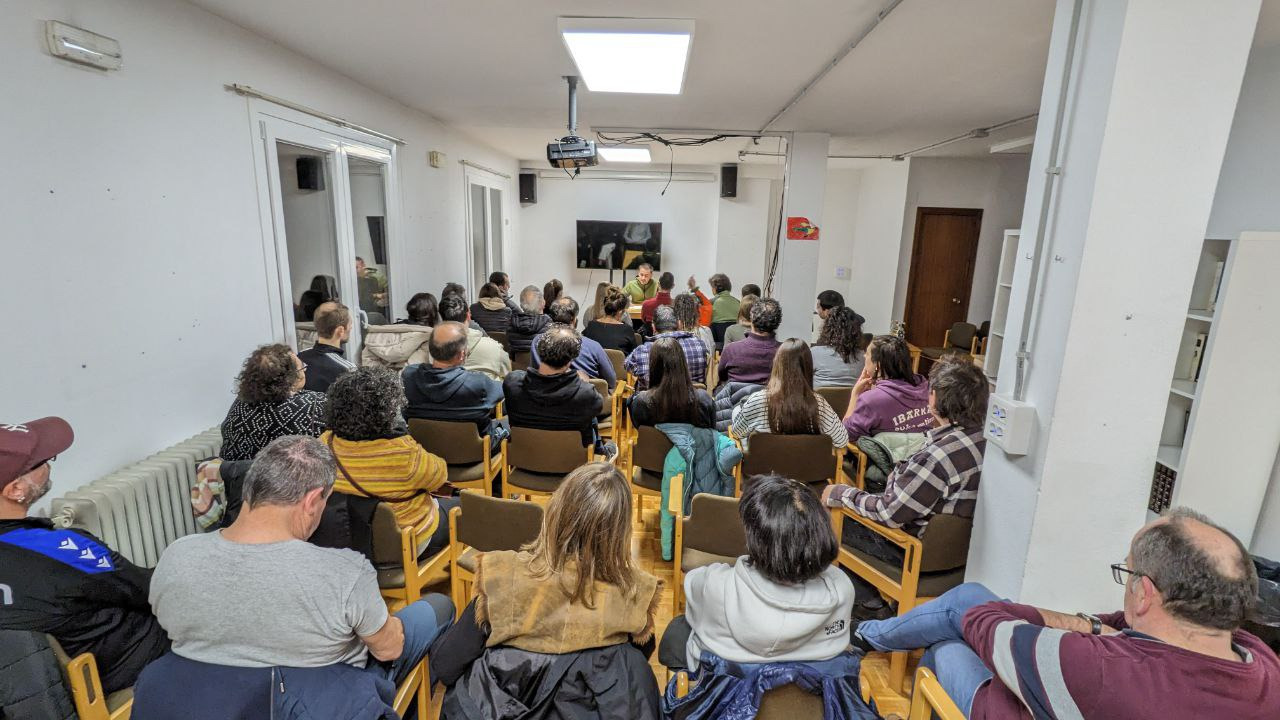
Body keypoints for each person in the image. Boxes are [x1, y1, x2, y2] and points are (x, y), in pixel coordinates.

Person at [854, 508, 1280, 719]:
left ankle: (868, 636)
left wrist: (1086, 628)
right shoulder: (1261, 661)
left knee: (950, 636)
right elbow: (1117, 622)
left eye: (1128, 573)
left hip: (1008, 705)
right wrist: (1096, 626)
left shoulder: (1102, 670)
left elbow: (983, 620)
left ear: (1145, 595)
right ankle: (871, 634)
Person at [150, 436, 454, 688]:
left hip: (211, 696)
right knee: (439, 607)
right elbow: (389, 649)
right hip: (322, 698)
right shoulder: (345, 572)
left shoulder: (176, 556)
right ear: (311, 501)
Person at [430, 463, 662, 688]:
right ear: (621, 534)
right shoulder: (635, 601)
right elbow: (628, 675)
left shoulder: (502, 580)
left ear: (555, 512)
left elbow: (446, 666)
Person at [0, 417, 170, 694]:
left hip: (39, 693)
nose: (49, 464)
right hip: (126, 671)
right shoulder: (63, 549)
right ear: (15, 489)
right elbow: (150, 590)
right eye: (42, 461)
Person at [822, 359, 987, 607]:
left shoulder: (936, 459)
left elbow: (888, 513)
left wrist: (841, 493)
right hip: (958, 556)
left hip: (911, 552)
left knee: (826, 515)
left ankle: (869, 604)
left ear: (936, 398)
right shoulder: (984, 443)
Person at [659, 473, 854, 672]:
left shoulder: (716, 584)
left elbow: (692, 586)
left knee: (678, 631)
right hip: (809, 686)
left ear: (755, 539)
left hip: (729, 686)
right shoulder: (842, 588)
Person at [322, 368, 454, 545]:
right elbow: (439, 476)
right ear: (389, 411)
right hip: (402, 541)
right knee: (460, 506)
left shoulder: (325, 443)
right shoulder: (405, 454)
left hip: (346, 537)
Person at [503, 325, 610, 455]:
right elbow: (597, 407)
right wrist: (580, 381)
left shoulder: (512, 384)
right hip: (574, 462)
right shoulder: (586, 394)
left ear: (539, 350)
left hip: (526, 457)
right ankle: (602, 451)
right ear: (571, 359)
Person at [730, 339, 849, 450]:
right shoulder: (819, 404)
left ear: (777, 365)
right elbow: (842, 440)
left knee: (737, 411)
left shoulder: (757, 400)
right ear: (808, 367)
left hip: (762, 466)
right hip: (807, 466)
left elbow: (737, 432)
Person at [403, 321, 506, 449]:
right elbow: (505, 390)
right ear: (462, 354)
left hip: (425, 450)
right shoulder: (479, 384)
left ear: (430, 349)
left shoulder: (408, 377)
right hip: (475, 453)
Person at [220, 344, 326, 461]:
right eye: (302, 368)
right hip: (288, 471)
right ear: (292, 377)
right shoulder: (313, 404)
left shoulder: (241, 402)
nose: (304, 370)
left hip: (232, 470)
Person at [841, 334, 932, 442]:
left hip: (886, 453)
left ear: (878, 365)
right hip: (924, 449)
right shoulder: (926, 387)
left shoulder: (870, 400)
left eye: (867, 353)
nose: (864, 356)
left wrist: (855, 395)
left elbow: (845, 435)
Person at [627, 338, 715, 429]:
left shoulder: (640, 402)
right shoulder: (703, 399)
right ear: (682, 363)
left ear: (653, 365)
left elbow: (642, 430)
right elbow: (711, 430)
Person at [532, 297, 617, 391]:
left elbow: (536, 372)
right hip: (586, 396)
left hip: (546, 394)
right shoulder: (594, 346)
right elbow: (611, 381)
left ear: (551, 318)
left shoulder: (537, 341)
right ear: (574, 320)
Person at [625, 306, 709, 391]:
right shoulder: (699, 345)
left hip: (653, 399)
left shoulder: (641, 351)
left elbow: (627, 366)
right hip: (692, 398)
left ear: (653, 327)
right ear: (679, 324)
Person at [437, 293, 510, 380]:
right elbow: (507, 374)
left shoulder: (432, 349)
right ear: (468, 315)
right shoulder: (494, 347)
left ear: (440, 318)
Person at [717, 297, 783, 385]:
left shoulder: (731, 350)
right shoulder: (784, 352)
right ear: (778, 322)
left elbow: (722, 377)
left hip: (736, 394)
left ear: (751, 316)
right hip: (771, 393)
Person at [297, 301, 355, 393]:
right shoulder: (348, 370)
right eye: (350, 325)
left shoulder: (299, 358)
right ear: (340, 330)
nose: (351, 328)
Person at [812, 306, 867, 388]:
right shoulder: (864, 356)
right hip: (854, 396)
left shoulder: (814, 353)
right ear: (855, 331)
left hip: (819, 396)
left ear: (827, 327)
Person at [583, 284, 640, 355]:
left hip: (594, 362)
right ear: (620, 312)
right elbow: (634, 355)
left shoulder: (591, 326)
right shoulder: (627, 330)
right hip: (619, 362)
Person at [507, 285, 551, 355]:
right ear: (542, 303)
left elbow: (511, 353)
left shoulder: (511, 325)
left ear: (521, 305)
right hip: (540, 362)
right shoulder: (549, 326)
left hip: (517, 362)